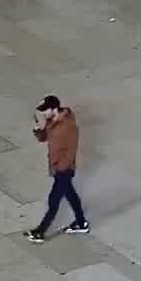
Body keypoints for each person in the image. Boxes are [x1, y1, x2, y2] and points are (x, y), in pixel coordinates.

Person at [27, 95, 89, 242]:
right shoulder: (51, 121)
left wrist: (62, 167)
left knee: (53, 201)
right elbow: (44, 138)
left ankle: (40, 231)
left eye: (45, 110)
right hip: (56, 167)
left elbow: (72, 149)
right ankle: (81, 223)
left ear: (54, 109)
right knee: (71, 196)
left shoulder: (68, 126)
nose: (44, 113)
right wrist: (38, 131)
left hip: (64, 169)